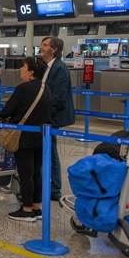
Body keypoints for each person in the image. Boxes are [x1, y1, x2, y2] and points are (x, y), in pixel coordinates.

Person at [0, 57, 52, 222]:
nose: (21, 69)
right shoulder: (46, 88)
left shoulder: (23, 88)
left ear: (31, 72)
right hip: (41, 137)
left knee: (25, 174)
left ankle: (27, 210)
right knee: (36, 172)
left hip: (24, 138)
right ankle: (37, 207)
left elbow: (5, 112)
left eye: (23, 67)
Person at [39, 36, 75, 201]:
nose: (41, 47)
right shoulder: (47, 66)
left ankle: (54, 189)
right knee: (47, 149)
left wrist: (46, 115)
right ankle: (48, 185)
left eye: (45, 45)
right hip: (47, 115)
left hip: (52, 117)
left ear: (53, 50)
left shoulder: (59, 68)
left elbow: (59, 97)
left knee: (51, 150)